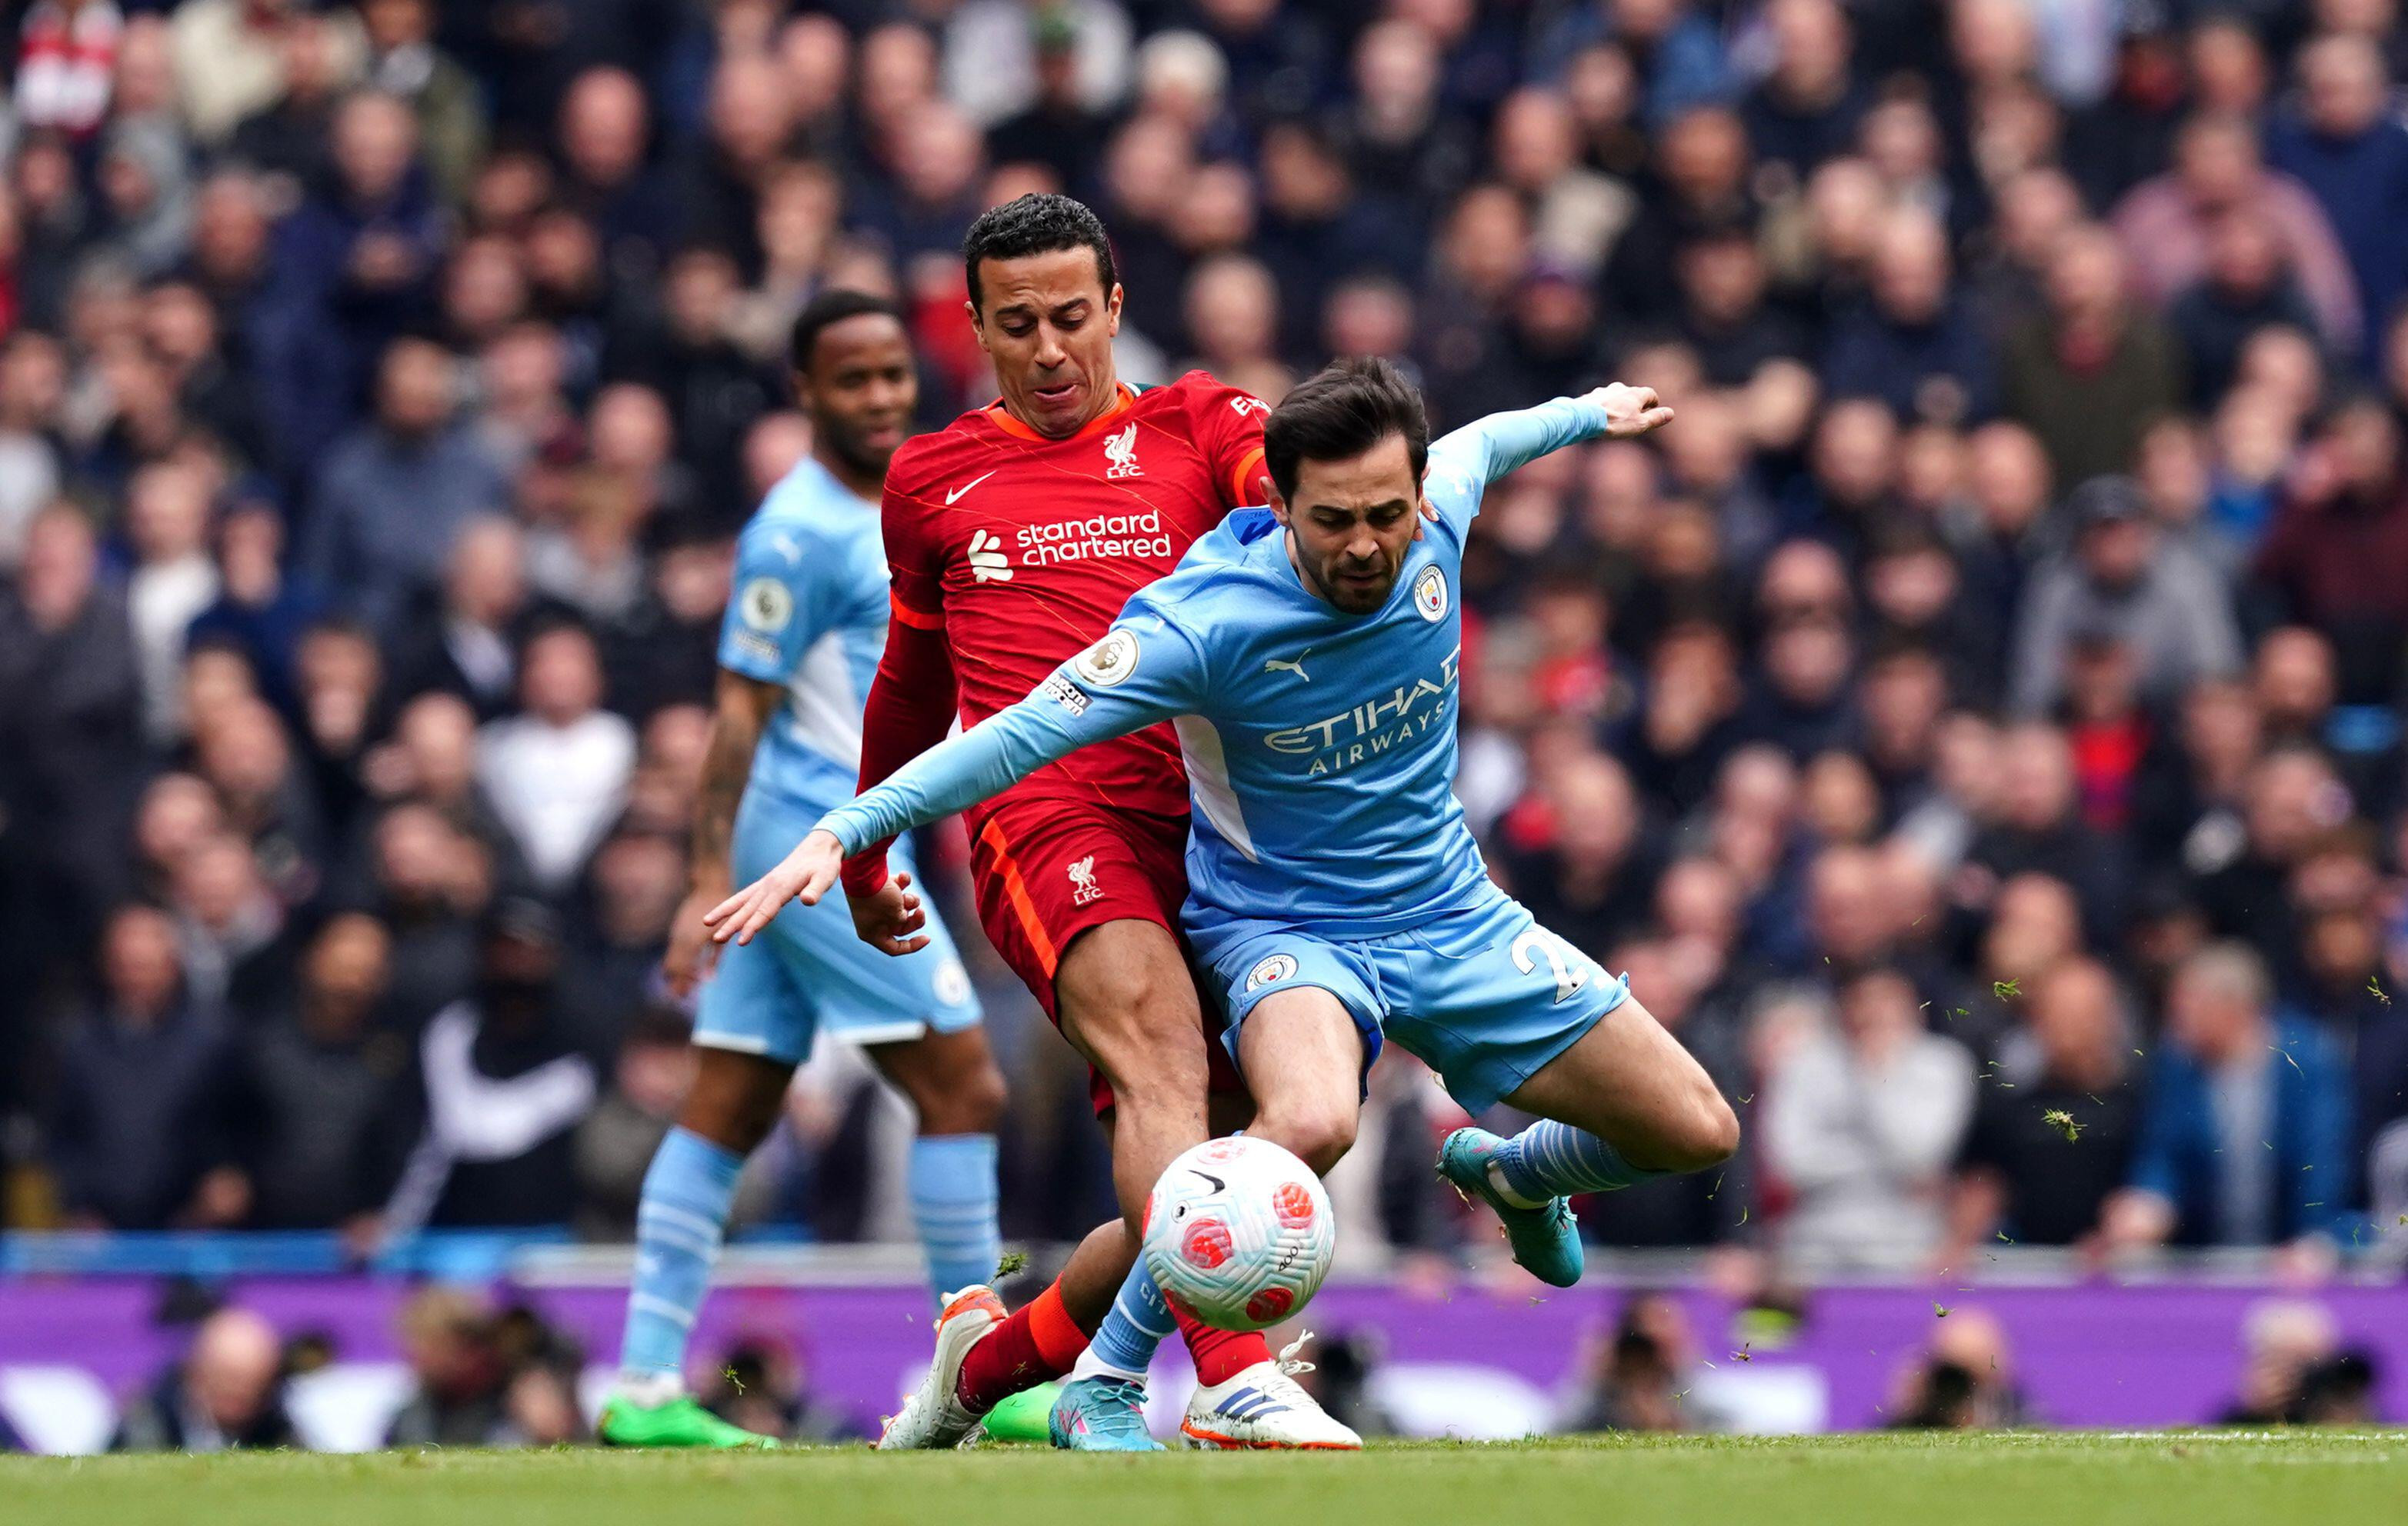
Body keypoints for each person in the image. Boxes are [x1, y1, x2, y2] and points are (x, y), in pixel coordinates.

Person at [713, 360, 1736, 1448]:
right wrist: (846, 829)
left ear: (1419, 497)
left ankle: (1514, 1173)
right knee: (1306, 1124)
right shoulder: (1202, 622)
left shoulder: (1443, 504)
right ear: (1278, 503)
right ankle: (1108, 1384)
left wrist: (1593, 412)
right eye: (1332, 520)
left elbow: (1499, 432)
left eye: (1387, 515)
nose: (1364, 545)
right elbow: (1007, 734)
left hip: (1452, 917)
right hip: (1287, 931)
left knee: (1695, 1129)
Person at [831, 192, 1347, 1451]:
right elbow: (910, 681)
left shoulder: (1195, 422)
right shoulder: (932, 478)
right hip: (1042, 813)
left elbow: (1289, 496)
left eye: (1073, 317)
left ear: (1117, 309)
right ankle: (1231, 1380)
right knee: (1164, 1060)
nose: (1051, 349)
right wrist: (868, 840)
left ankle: (992, 1359)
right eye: (1018, 326)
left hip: (1216, 829)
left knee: (1220, 1168)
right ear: (973, 329)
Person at [600, 291, 1008, 1450]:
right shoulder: (794, 532)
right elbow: (737, 712)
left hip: (830, 832)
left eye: (892, 374)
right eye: (853, 379)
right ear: (805, 392)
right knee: (964, 1088)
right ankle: (979, 1368)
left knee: (727, 1106)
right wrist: (700, 876)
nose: (880, 396)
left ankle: (639, 1390)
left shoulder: (909, 498)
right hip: (819, 843)